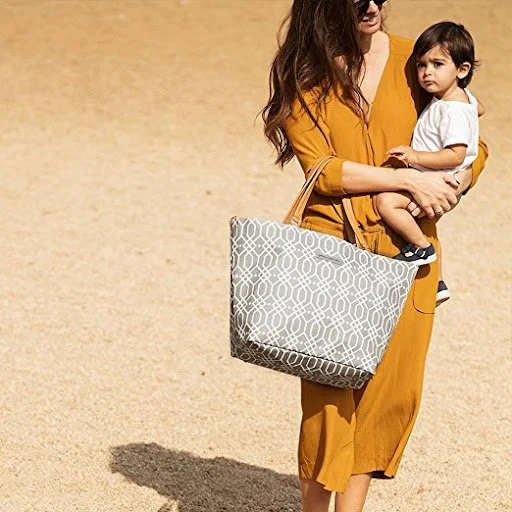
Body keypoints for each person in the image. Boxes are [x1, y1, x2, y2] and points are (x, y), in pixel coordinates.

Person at [261, 1, 488, 511]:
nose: (371, 6)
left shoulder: (420, 60)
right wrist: (406, 181)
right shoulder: (306, 74)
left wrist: (453, 185)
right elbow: (323, 170)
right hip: (333, 249)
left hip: (407, 253)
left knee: (385, 397)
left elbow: (473, 141)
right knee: (328, 400)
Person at [376, 21, 485, 306]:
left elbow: (455, 155)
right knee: (421, 221)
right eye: (421, 65)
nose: (427, 73)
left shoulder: (452, 111)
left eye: (438, 64)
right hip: (440, 177)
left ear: (462, 70)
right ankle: (436, 282)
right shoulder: (461, 100)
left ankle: (421, 249)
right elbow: (479, 109)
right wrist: (471, 111)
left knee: (387, 203)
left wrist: (415, 156)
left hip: (439, 178)